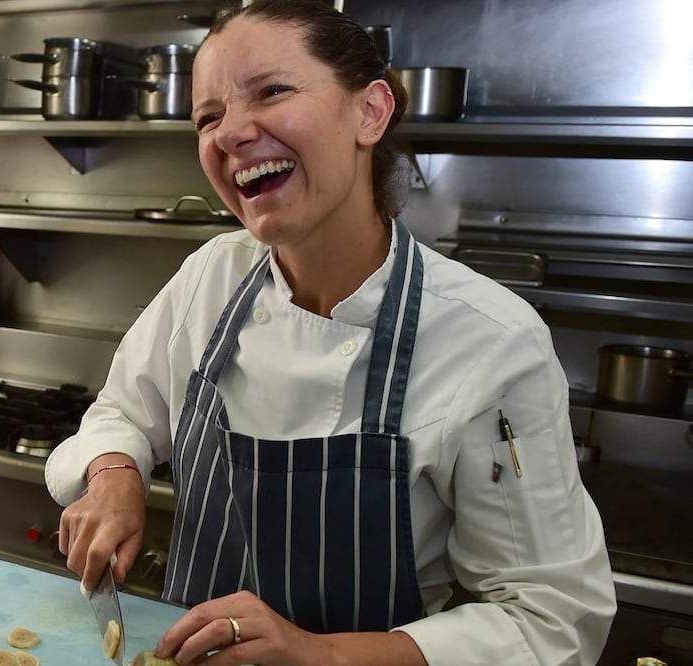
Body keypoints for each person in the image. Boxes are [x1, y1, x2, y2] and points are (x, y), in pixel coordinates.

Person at [44, 1, 616, 663]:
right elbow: (124, 412)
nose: (231, 134)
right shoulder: (212, 275)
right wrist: (115, 475)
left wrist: (324, 655)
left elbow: (549, 621)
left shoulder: (490, 340)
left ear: (370, 111)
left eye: (271, 91)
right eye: (208, 118)